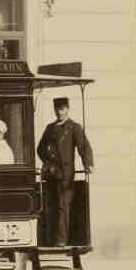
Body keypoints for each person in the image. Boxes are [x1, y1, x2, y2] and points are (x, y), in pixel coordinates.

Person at [37, 97, 94, 247]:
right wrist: (48, 163)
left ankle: (62, 240)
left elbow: (83, 146)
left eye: (62, 109)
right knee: (51, 206)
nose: (59, 112)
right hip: (51, 173)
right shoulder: (50, 128)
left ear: (67, 109)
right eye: (57, 109)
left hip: (66, 174)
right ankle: (50, 239)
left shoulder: (74, 127)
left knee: (63, 206)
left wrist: (88, 163)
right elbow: (40, 149)